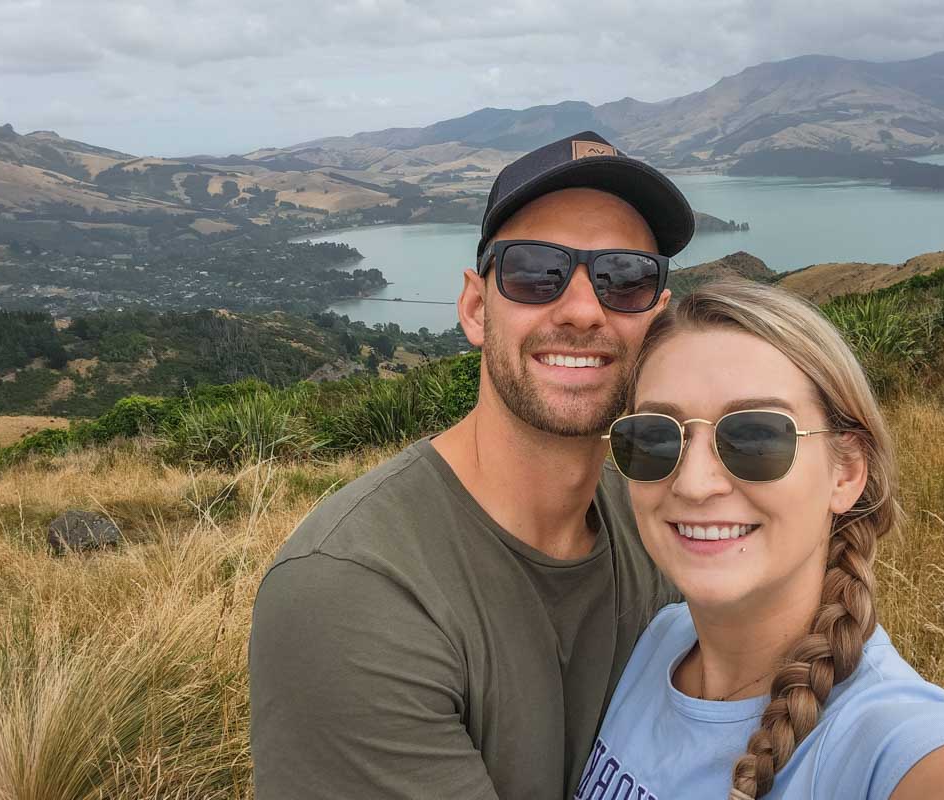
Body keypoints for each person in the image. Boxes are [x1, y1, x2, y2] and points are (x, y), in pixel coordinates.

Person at [248, 131, 693, 799]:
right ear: (475, 308)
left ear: (657, 321)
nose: (581, 309)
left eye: (624, 279)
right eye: (535, 271)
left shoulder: (660, 524)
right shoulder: (351, 591)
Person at [581, 279, 944, 800]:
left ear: (846, 472)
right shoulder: (656, 642)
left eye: (756, 437)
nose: (694, 483)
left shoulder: (883, 739)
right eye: (654, 437)